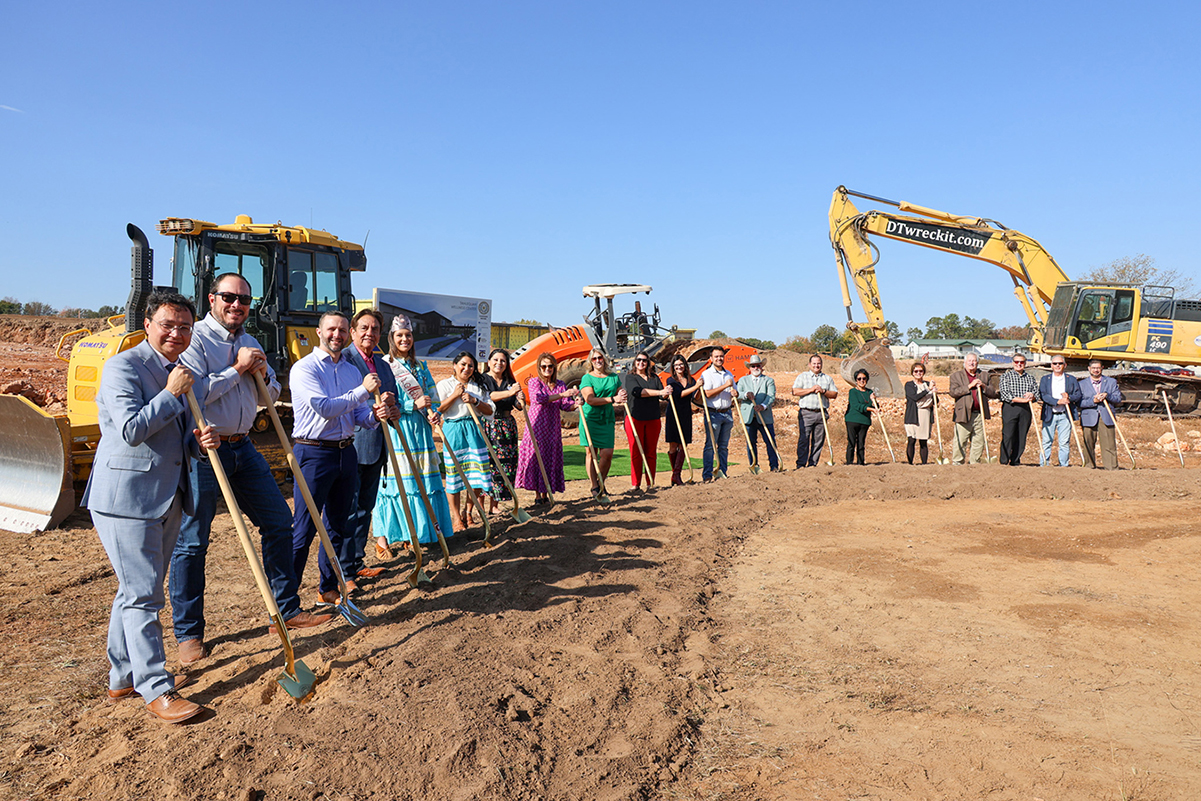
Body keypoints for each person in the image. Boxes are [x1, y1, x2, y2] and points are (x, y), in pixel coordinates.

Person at [172, 274, 330, 668]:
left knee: (279, 522)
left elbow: (272, 393)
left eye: (244, 299)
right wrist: (238, 370)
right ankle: (189, 633)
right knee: (193, 542)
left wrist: (262, 378)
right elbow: (193, 392)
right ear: (212, 299)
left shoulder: (251, 341)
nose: (237, 305)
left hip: (244, 446)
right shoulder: (194, 340)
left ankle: (287, 608)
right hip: (205, 450)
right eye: (229, 297)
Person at [83, 291, 217, 723]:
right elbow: (129, 430)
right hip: (126, 500)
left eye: (184, 327)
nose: (177, 333)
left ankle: (122, 676)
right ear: (148, 324)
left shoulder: (177, 369)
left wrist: (197, 444)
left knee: (134, 591)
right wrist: (171, 392)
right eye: (168, 324)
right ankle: (156, 687)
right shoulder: (123, 367)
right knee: (143, 595)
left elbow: (170, 437)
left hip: (167, 494)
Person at [289, 311, 389, 606]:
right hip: (314, 452)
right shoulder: (304, 369)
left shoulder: (349, 371)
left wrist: (374, 414)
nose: (337, 335)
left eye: (342, 330)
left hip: (346, 451)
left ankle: (327, 587)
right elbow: (324, 407)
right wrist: (362, 392)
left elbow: (356, 415)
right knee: (304, 529)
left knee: (337, 526)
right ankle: (286, 602)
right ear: (319, 332)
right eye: (331, 329)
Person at [374, 314, 454, 552]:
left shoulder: (421, 366)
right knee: (399, 483)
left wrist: (432, 411)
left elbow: (431, 395)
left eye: (408, 335)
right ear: (392, 338)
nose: (404, 339)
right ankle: (394, 535)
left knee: (424, 479)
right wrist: (411, 406)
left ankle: (421, 532)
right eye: (399, 335)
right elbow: (385, 399)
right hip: (399, 429)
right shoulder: (386, 364)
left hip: (421, 431)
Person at [342, 309, 399, 582]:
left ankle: (356, 561)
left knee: (366, 507)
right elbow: (342, 401)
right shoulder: (344, 361)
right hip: (352, 443)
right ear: (352, 331)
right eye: (364, 328)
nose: (370, 333)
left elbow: (395, 405)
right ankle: (342, 570)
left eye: (375, 329)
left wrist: (393, 406)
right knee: (348, 509)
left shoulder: (384, 365)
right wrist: (371, 403)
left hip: (378, 446)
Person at [436, 352, 494, 531]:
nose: (466, 368)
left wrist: (475, 401)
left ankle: (468, 512)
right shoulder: (444, 385)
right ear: (454, 365)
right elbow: (438, 409)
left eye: (470, 366)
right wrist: (455, 395)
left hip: (474, 429)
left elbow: (490, 411)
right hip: (453, 429)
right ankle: (455, 518)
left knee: (477, 474)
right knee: (454, 476)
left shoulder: (478, 387)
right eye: (463, 364)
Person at [515, 352, 580, 503]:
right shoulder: (534, 382)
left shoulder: (560, 384)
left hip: (553, 427)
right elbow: (539, 399)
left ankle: (546, 493)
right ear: (539, 367)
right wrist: (562, 394)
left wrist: (575, 404)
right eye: (544, 366)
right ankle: (538, 495)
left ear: (554, 367)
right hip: (537, 425)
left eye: (550, 366)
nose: (547, 369)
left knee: (549, 457)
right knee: (538, 457)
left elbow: (564, 405)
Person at [479, 348, 524, 513]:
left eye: (503, 361)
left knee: (504, 466)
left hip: (507, 426)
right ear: (489, 362)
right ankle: (480, 507)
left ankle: (495, 505)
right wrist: (510, 392)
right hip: (489, 424)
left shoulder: (510, 381)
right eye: (496, 360)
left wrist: (520, 399)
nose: (499, 363)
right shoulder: (482, 379)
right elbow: (485, 397)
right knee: (487, 464)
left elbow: (517, 406)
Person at [579, 348, 627, 497]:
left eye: (600, 358)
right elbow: (590, 399)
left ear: (604, 359)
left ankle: (601, 482)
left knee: (607, 453)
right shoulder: (587, 378)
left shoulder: (613, 377)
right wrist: (613, 399)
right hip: (590, 418)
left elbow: (619, 390)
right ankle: (594, 486)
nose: (598, 361)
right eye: (594, 359)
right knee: (591, 452)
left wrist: (621, 392)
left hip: (606, 418)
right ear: (590, 362)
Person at [623, 351, 670, 489]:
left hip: (653, 418)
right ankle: (635, 484)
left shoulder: (654, 378)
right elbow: (638, 392)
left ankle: (650, 482)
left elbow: (662, 396)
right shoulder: (630, 377)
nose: (641, 363)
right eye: (638, 360)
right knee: (636, 451)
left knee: (651, 452)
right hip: (634, 418)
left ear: (648, 363)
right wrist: (659, 393)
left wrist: (666, 392)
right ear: (635, 362)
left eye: (644, 360)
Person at [948, 353, 999, 464]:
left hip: (979, 413)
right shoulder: (956, 376)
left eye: (974, 361)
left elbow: (993, 393)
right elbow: (953, 392)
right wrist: (969, 386)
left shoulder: (984, 375)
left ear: (977, 362)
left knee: (978, 441)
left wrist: (984, 386)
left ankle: (974, 464)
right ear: (965, 363)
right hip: (964, 413)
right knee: (961, 440)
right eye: (969, 361)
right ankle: (958, 463)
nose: (972, 363)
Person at [791, 355, 838, 468]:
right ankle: (801, 464)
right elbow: (795, 391)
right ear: (809, 364)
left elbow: (834, 394)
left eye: (819, 363)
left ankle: (812, 464)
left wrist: (823, 391)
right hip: (806, 413)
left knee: (818, 441)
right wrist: (811, 390)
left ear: (821, 365)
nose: (816, 366)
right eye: (814, 363)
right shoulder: (802, 377)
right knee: (804, 439)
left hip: (821, 413)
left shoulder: (827, 378)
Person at [664, 353, 702, 485]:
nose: (679, 367)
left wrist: (699, 388)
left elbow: (695, 397)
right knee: (673, 444)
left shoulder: (691, 380)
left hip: (686, 413)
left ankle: (676, 475)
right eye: (676, 365)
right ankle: (675, 475)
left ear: (685, 366)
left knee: (683, 444)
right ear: (673, 368)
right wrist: (696, 386)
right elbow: (679, 394)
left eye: (681, 364)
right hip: (674, 413)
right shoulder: (671, 380)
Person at [1077, 359, 1122, 470]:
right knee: (1088, 443)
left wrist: (1107, 396)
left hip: (1106, 416)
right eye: (1093, 368)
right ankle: (1089, 466)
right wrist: (1093, 401)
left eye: (1098, 368)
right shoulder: (1082, 384)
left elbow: (1118, 399)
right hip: (1089, 416)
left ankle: (1111, 467)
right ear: (1089, 369)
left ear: (1102, 368)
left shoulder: (1111, 382)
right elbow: (1079, 403)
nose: (1096, 370)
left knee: (1109, 444)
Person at [1038, 355, 1081, 467]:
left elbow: (1078, 394)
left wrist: (1069, 398)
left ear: (1065, 365)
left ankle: (1063, 465)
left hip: (1065, 415)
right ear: (1051, 365)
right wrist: (1057, 401)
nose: (1058, 365)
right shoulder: (1045, 379)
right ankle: (1044, 464)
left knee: (1064, 443)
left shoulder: (1071, 379)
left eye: (1060, 363)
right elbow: (1043, 395)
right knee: (1046, 442)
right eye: (1055, 363)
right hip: (1049, 414)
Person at [737, 354, 778, 471]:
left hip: (764, 416)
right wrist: (745, 395)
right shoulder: (743, 380)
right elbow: (737, 394)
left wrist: (763, 406)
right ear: (749, 368)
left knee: (770, 441)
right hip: (748, 417)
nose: (755, 368)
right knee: (751, 443)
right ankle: (754, 465)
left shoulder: (768, 380)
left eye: (758, 365)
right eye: (753, 366)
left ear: (762, 367)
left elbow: (771, 396)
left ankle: (774, 466)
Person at [701, 346, 736, 482]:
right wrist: (725, 386)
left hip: (727, 412)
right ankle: (707, 475)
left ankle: (722, 472)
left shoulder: (728, 374)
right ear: (711, 359)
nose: (719, 358)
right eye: (716, 356)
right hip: (713, 414)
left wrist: (735, 393)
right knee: (710, 445)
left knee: (723, 446)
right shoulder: (707, 374)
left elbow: (735, 391)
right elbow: (708, 394)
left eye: (721, 356)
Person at [997, 352, 1038, 466]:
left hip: (1025, 410)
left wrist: (1032, 396)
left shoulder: (1030, 378)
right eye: (1016, 362)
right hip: (1011, 408)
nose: (1019, 364)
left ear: (1025, 363)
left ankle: (1015, 460)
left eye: (1021, 362)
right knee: (1008, 435)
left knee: (1021, 436)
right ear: (1012, 363)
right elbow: (1005, 395)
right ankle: (1004, 461)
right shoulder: (1006, 376)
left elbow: (1036, 394)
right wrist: (1023, 399)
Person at [903, 362, 935, 465]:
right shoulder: (909, 385)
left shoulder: (927, 383)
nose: (918, 373)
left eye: (920, 371)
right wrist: (928, 390)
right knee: (911, 440)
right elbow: (914, 397)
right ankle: (910, 463)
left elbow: (934, 400)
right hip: (913, 415)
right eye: (916, 371)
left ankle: (924, 464)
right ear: (912, 373)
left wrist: (934, 392)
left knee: (923, 441)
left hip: (925, 414)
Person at [845, 368, 874, 465]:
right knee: (851, 443)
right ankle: (849, 463)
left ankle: (861, 463)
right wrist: (870, 409)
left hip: (864, 421)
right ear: (856, 380)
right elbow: (856, 405)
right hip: (852, 420)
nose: (862, 380)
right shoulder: (852, 392)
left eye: (864, 378)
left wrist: (874, 400)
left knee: (861, 443)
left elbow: (874, 405)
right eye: (859, 379)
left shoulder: (870, 392)